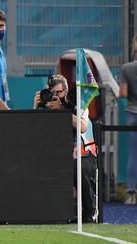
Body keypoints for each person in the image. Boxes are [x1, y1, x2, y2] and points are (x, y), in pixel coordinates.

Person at [33, 74, 97, 223]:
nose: (54, 97)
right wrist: (35, 108)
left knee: (78, 168)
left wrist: (62, 110)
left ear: (66, 91)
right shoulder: (45, 105)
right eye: (51, 93)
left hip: (82, 154)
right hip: (56, 155)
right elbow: (33, 133)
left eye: (59, 93)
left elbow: (82, 126)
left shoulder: (77, 103)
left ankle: (89, 213)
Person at [119, 36, 137, 205]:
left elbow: (123, 93)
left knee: (132, 155)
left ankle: (131, 193)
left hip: (132, 113)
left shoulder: (127, 68)